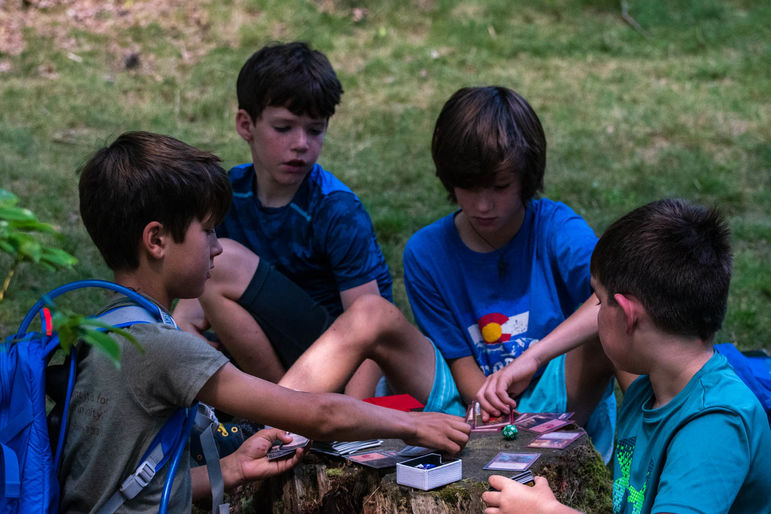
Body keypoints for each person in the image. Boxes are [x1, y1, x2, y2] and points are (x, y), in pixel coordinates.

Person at [62, 131, 469, 512]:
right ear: (156, 241)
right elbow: (319, 415)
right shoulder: (160, 347)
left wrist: (233, 468)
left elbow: (131, 488)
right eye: (206, 231)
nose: (218, 247)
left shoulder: (105, 329)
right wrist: (411, 424)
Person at [483, 198, 771, 514]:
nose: (595, 312)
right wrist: (533, 358)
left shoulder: (714, 424)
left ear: (627, 315)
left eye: (600, 302)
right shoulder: (656, 385)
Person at [403, 86, 624, 461]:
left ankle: (650, 442)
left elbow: (621, 292)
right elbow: (460, 364)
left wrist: (533, 359)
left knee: (620, 321)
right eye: (467, 188)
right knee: (369, 316)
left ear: (526, 176)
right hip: (474, 408)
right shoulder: (425, 254)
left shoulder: (556, 229)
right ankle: (283, 426)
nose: (483, 205)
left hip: (562, 393)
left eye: (500, 186)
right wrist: (493, 410)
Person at [173, 42, 390, 397]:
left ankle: (287, 414)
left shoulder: (336, 209)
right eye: (284, 127)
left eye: (315, 130)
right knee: (189, 305)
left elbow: (371, 326)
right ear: (246, 124)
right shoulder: (228, 194)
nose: (301, 143)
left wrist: (355, 416)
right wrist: (185, 329)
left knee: (221, 261)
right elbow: (190, 307)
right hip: (270, 355)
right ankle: (279, 412)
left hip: (337, 361)